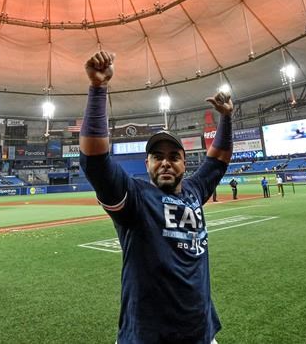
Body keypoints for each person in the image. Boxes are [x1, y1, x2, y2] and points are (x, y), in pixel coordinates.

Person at [79, 51, 233, 344]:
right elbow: (95, 162)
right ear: (147, 164)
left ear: (184, 165)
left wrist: (225, 118)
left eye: (174, 157)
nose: (165, 162)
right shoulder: (135, 198)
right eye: (157, 156)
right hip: (147, 336)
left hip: (201, 331)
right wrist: (98, 89)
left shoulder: (194, 190)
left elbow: (219, 158)